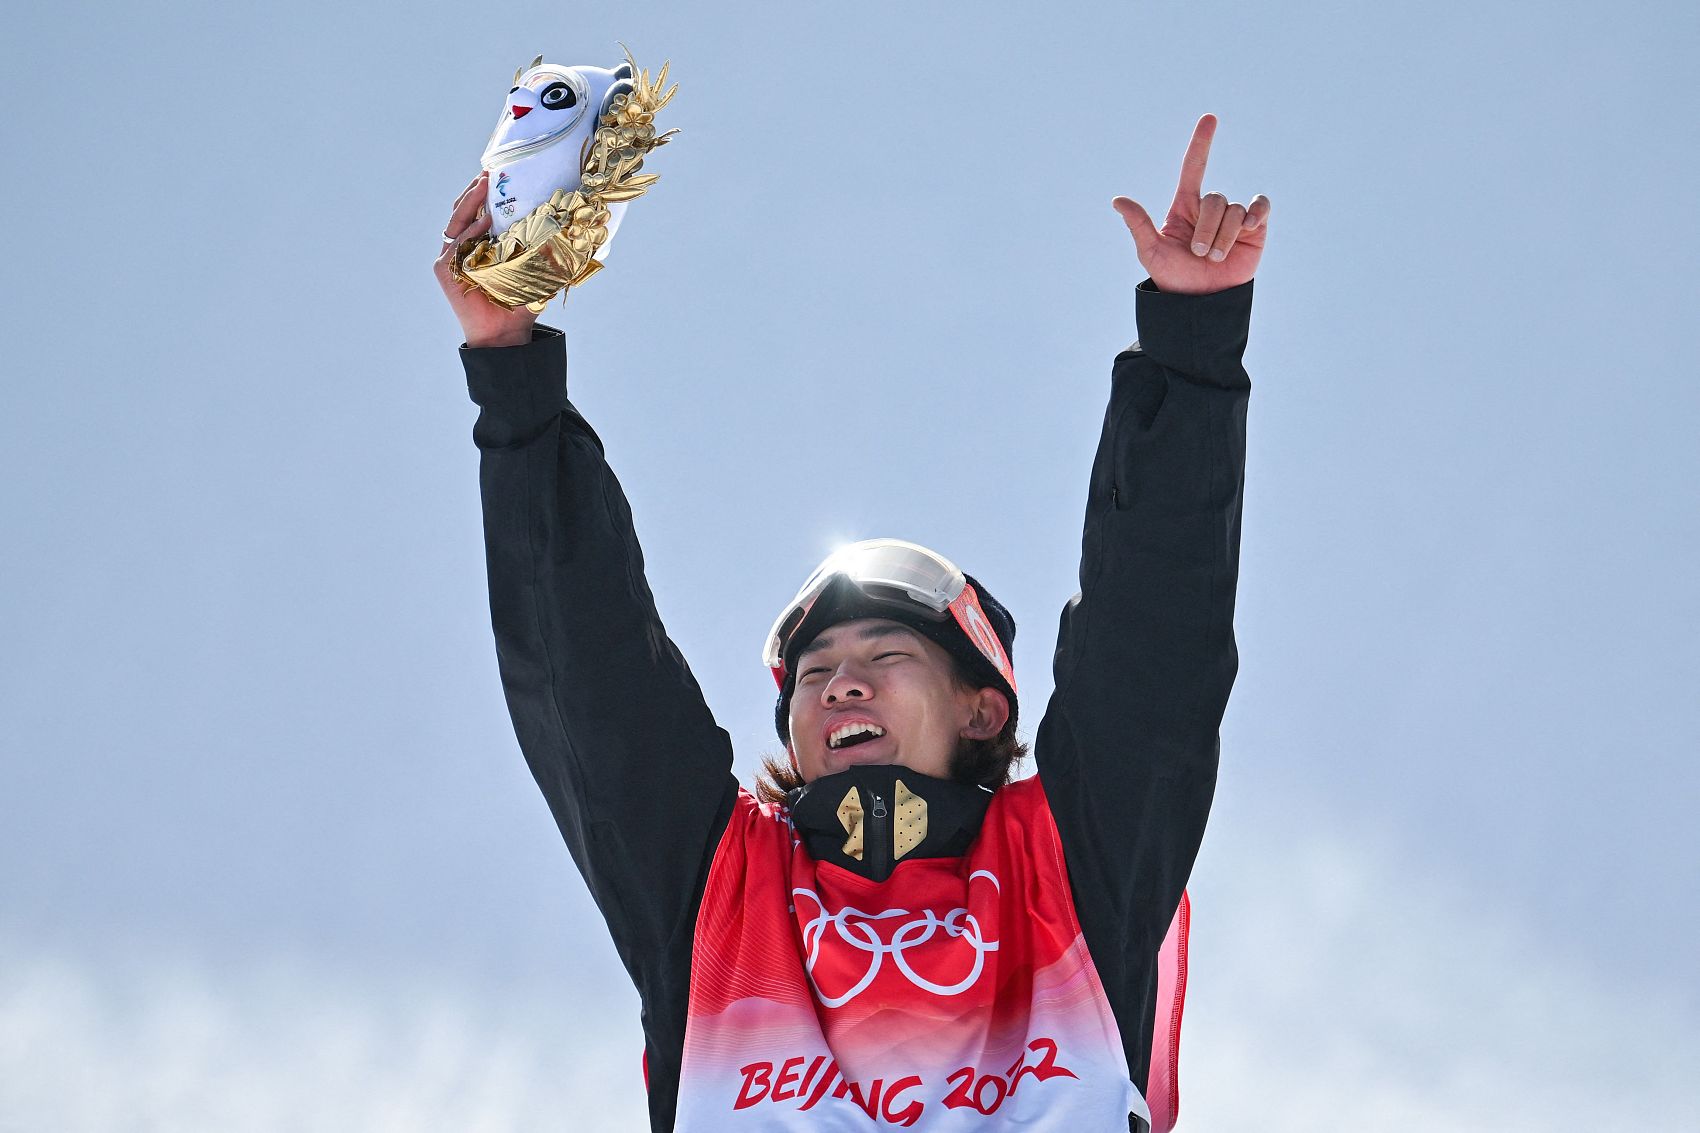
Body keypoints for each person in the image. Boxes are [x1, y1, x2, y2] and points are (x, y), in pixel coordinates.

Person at [436, 113, 1268, 1133]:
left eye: (885, 653)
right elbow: (587, 672)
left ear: (980, 707)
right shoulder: (720, 891)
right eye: (814, 669)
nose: (840, 682)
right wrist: (510, 366)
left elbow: (1154, 645)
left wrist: (1189, 349)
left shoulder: (1065, 867)